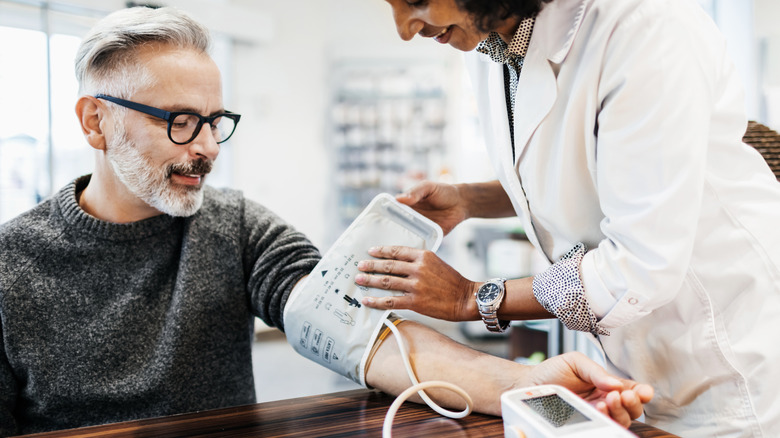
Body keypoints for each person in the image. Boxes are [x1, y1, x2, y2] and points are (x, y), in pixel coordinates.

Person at [0, 6, 654, 436]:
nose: (204, 146)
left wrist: (522, 381)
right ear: (94, 120)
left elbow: (360, 333)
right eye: (179, 121)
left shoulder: (234, 226)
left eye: (214, 122)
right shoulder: (12, 263)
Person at [358, 0, 780, 436]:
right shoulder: (491, 47)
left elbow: (639, 266)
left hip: (735, 368)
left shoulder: (644, 27)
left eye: (416, 1)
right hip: (634, 368)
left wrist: (472, 297)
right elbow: (581, 170)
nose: (405, 29)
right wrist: (470, 200)